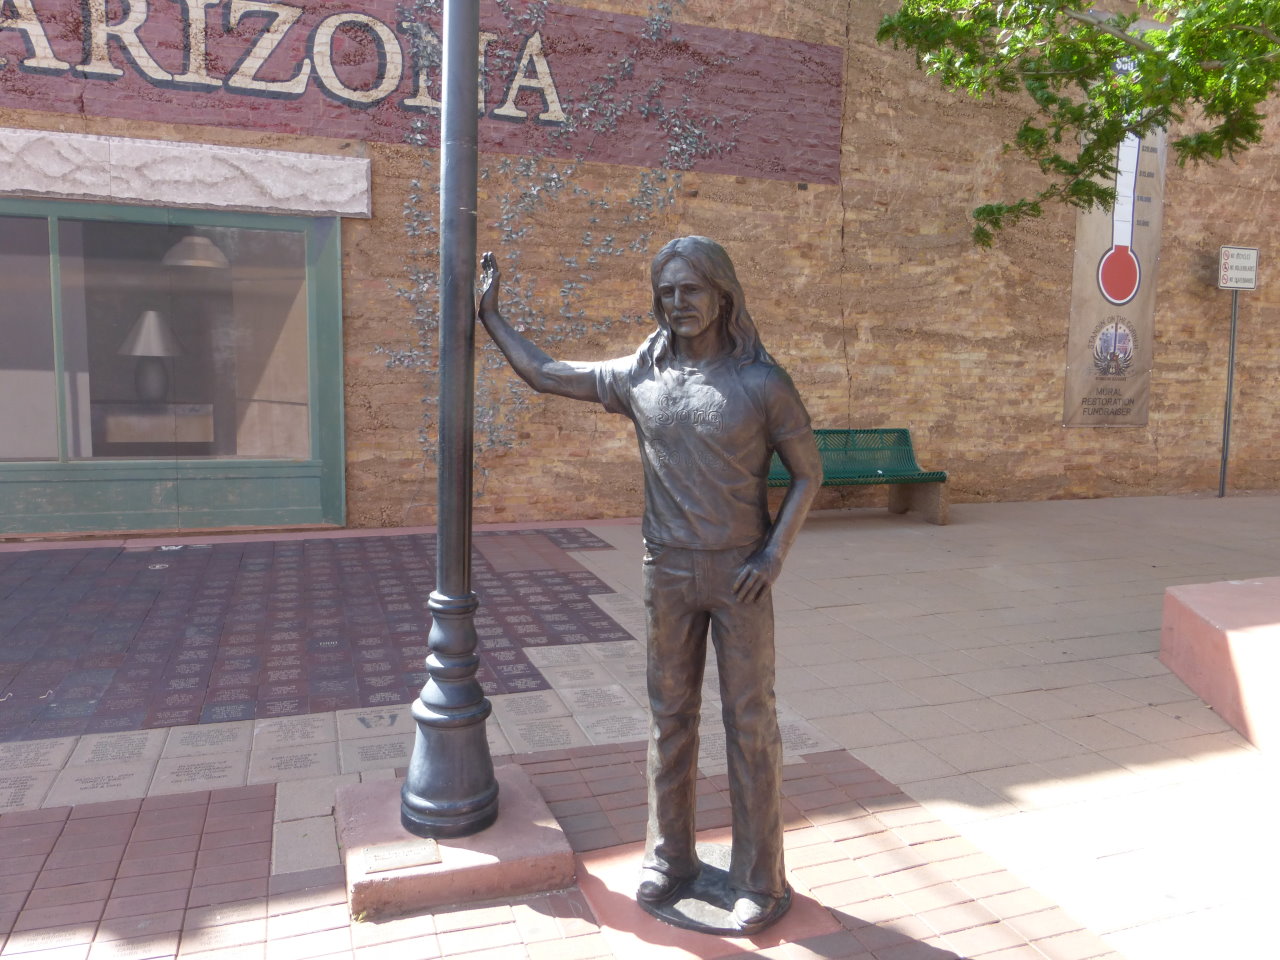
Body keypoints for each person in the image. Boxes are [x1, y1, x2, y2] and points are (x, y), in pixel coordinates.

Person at [477, 236, 822, 933]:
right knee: (670, 720)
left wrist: (772, 558)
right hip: (665, 572)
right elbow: (546, 373)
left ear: (723, 294)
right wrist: (491, 316)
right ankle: (670, 858)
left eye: (691, 289)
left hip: (740, 575)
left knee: (751, 723)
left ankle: (760, 877)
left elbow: (808, 473)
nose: (678, 303)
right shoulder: (641, 376)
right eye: (666, 292)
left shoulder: (762, 383)